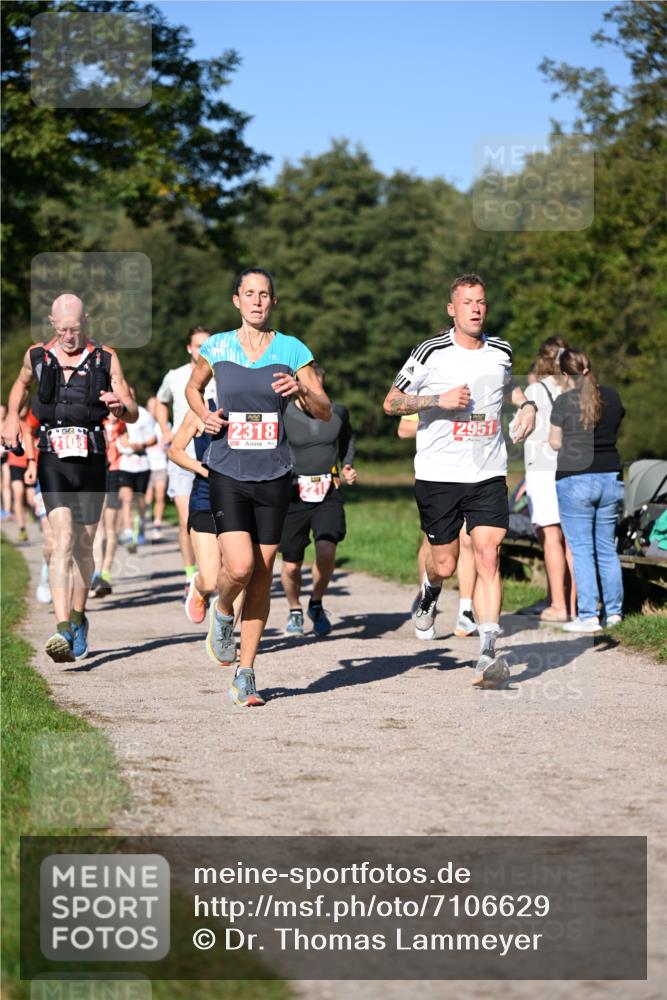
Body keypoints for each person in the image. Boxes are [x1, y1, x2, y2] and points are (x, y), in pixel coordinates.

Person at [185, 268, 331, 708]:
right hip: (227, 470)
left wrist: (300, 392)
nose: (257, 301)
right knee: (241, 566)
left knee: (264, 573)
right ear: (236, 301)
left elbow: (323, 408)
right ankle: (223, 611)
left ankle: (245, 673)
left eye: (264, 294)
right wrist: (204, 415)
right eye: (249, 293)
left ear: (273, 302)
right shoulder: (217, 346)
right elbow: (194, 388)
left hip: (273, 473)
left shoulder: (292, 349)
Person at [383, 273, 536, 688]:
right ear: (452, 309)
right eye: (467, 302)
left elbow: (512, 391)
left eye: (481, 301)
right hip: (439, 474)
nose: (476, 308)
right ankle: (431, 591)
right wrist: (438, 400)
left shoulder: (501, 350)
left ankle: (487, 652)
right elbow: (392, 402)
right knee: (446, 563)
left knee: (488, 555)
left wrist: (529, 407)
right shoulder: (431, 351)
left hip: (487, 471)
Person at [1, 293, 137, 662]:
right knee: (61, 540)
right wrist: (13, 416)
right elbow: (20, 384)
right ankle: (62, 630)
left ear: (85, 321)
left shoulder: (106, 358)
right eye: (62, 329)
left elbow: (134, 411)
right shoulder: (37, 356)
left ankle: (79, 618)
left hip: (92, 457)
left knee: (83, 546)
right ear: (51, 323)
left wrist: (120, 406)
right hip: (52, 458)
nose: (69, 336)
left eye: (75, 328)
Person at [549, 348, 625, 632]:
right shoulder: (613, 396)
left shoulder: (564, 401)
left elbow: (555, 442)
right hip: (611, 477)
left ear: (565, 374)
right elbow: (615, 426)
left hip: (575, 479)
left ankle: (589, 616)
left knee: (582, 550)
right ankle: (615, 614)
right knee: (606, 548)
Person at [280, 364, 357, 638]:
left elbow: (348, 438)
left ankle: (316, 602)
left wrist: (347, 465)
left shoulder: (338, 412)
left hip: (328, 490)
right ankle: (294, 608)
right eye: (308, 387)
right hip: (292, 493)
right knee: (291, 564)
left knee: (326, 550)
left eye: (318, 388)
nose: (314, 393)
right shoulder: (284, 413)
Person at [167, 398, 244, 640]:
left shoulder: (257, 407)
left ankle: (223, 633)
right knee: (211, 579)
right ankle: (199, 589)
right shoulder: (202, 409)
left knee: (238, 571)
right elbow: (174, 450)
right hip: (206, 497)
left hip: (243, 497)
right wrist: (202, 469)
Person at [398, 414, 478, 637]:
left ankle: (465, 611)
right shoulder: (429, 386)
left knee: (468, 539)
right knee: (434, 546)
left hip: (474, 473)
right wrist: (445, 426)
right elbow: (404, 429)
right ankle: (428, 601)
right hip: (438, 475)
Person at [155, 326, 213, 596]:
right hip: (182, 454)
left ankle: (209, 571)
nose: (202, 350)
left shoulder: (219, 376)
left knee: (211, 518)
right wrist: (165, 429)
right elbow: (159, 402)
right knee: (186, 518)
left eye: (207, 345)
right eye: (198, 346)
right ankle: (191, 575)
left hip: (210, 455)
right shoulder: (175, 376)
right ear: (189, 348)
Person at [523, 336, 576, 623]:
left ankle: (558, 605)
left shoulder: (535, 390)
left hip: (543, 470)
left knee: (551, 538)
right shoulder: (577, 388)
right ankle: (577, 606)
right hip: (574, 467)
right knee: (572, 539)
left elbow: (517, 431)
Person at [90, 408, 127, 597]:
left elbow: (132, 445)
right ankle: (95, 571)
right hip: (98, 472)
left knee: (111, 527)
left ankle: (105, 571)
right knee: (98, 527)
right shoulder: (99, 422)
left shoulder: (124, 425)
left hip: (115, 473)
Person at [117, 390, 157, 552]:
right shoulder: (116, 412)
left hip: (142, 463)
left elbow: (153, 438)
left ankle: (139, 527)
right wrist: (121, 441)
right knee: (126, 499)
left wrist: (141, 445)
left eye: (130, 395)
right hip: (125, 463)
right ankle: (128, 532)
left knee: (139, 501)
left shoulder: (144, 415)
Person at [7, 405, 36, 542]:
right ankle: (22, 528)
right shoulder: (11, 422)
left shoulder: (33, 418)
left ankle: (32, 510)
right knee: (18, 494)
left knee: (32, 499)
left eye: (24, 406)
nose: (22, 409)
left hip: (31, 464)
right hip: (16, 464)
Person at [145, 396, 168, 540]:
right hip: (146, 465)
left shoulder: (165, 425)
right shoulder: (143, 423)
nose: (153, 410)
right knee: (146, 498)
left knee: (160, 496)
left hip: (161, 465)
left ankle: (157, 525)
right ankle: (144, 521)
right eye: (151, 407)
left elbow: (170, 444)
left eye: (156, 407)